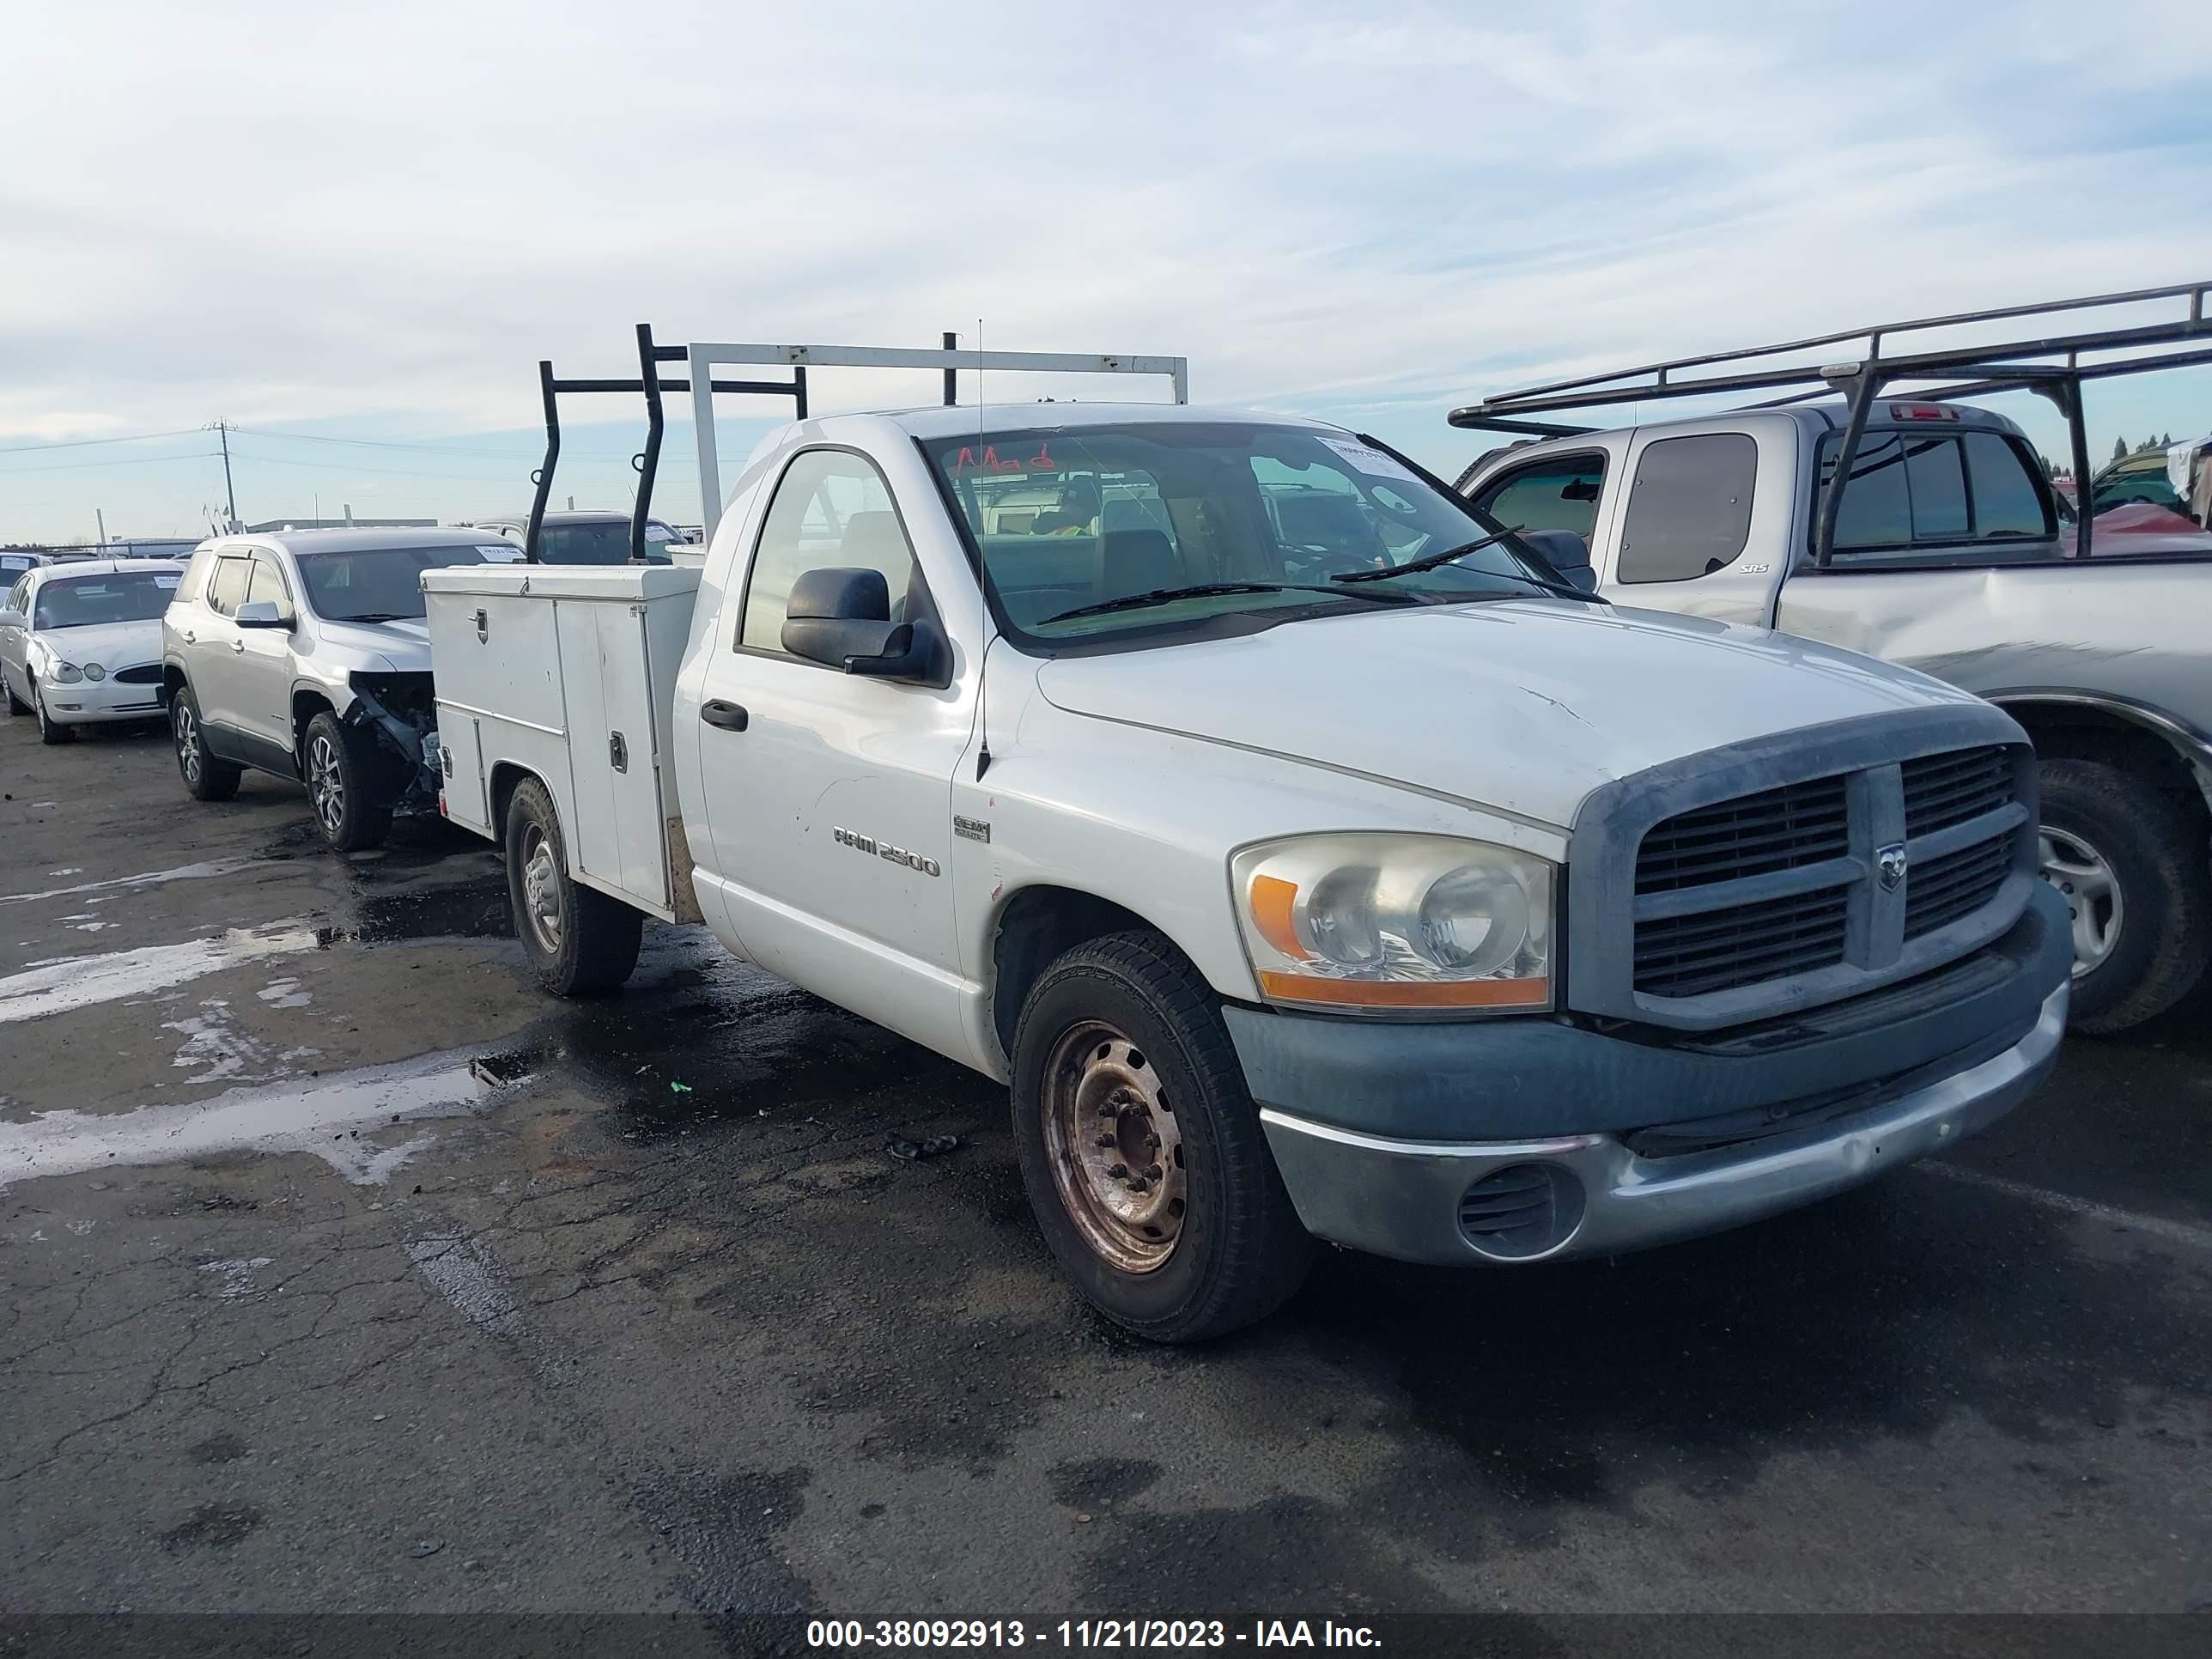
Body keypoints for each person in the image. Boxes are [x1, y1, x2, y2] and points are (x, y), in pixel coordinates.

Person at [1031, 477, 1100, 536]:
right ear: (1072, 505)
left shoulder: (1034, 532)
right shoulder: (1078, 536)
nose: (1088, 522)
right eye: (1089, 514)